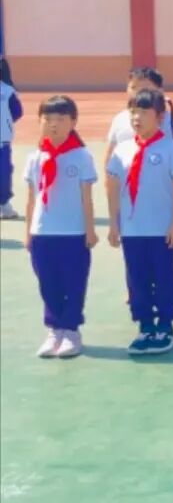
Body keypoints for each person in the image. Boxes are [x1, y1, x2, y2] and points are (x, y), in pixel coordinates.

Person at [106, 89, 173, 355]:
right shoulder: (122, 150)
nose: (137, 118)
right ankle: (144, 326)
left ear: (160, 117)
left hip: (161, 229)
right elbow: (113, 187)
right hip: (132, 230)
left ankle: (165, 326)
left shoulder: (171, 149)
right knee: (136, 279)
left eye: (143, 112)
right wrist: (114, 223)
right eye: (133, 112)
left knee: (164, 277)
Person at [23, 95, 97, 358]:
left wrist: (90, 229)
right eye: (47, 118)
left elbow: (86, 196)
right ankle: (54, 330)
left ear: (73, 122)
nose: (53, 124)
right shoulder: (35, 158)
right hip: (42, 232)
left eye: (61, 119)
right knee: (48, 283)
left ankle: (71, 331)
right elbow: (32, 199)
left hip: (73, 232)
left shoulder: (81, 156)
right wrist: (28, 232)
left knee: (73, 282)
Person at [103, 67, 173, 168]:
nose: (138, 92)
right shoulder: (120, 119)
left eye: (145, 88)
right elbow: (110, 154)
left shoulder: (168, 121)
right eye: (133, 87)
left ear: (160, 90)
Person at [0, 57, 23, 220]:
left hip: (2, 142)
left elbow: (17, 112)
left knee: (3, 174)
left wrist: (5, 123)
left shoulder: (7, 91)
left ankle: (4, 206)